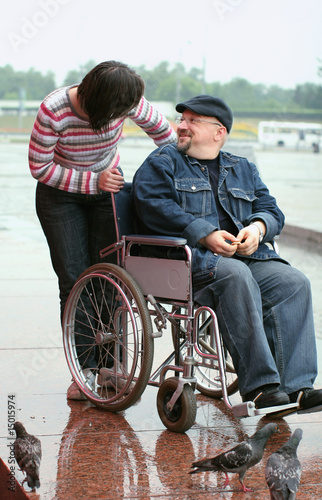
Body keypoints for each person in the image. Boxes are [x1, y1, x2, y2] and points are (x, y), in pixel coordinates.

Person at [132, 94, 322, 412]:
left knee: (293, 282)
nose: (182, 126)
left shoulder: (242, 168)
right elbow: (152, 206)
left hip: (243, 257)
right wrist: (203, 233)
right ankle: (261, 387)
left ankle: (297, 387)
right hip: (186, 261)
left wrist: (258, 229)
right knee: (235, 275)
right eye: (182, 120)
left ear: (219, 132)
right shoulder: (163, 161)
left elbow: (270, 209)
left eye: (193, 121)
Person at [28, 60, 176, 400]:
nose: (121, 117)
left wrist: (180, 170)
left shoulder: (125, 96)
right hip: (60, 195)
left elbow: (165, 137)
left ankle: (111, 369)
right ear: (98, 103)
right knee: (75, 279)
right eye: (115, 114)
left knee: (112, 277)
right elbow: (39, 166)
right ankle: (84, 371)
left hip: (107, 188)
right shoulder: (54, 110)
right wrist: (92, 181)